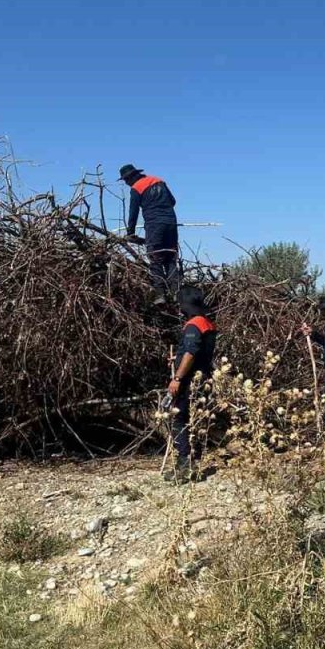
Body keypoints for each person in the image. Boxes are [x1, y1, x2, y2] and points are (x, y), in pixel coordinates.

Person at [166, 286, 217, 478]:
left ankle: (183, 466)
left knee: (179, 419)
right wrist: (177, 358)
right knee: (195, 420)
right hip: (204, 378)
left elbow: (190, 352)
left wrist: (177, 377)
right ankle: (194, 464)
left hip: (189, 381)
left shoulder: (193, 325)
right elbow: (197, 353)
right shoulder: (208, 324)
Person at [119, 163, 180, 305]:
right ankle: (176, 293)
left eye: (126, 180)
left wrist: (130, 233)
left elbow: (133, 212)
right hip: (171, 223)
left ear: (131, 177)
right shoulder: (159, 181)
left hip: (154, 225)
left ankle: (160, 295)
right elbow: (173, 201)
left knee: (155, 258)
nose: (126, 183)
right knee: (170, 258)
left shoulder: (136, 188)